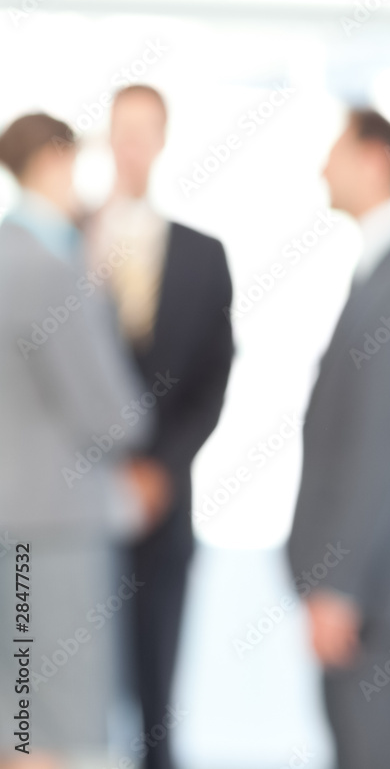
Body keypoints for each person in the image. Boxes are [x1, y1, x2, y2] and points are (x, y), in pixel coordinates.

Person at [285, 107, 390, 769]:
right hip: (362, 599)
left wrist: (339, 585)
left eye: (336, 151)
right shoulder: (374, 282)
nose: (323, 166)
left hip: (376, 602)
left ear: (376, 159)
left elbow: (381, 457)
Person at [0, 113, 160, 768]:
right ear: (56, 162)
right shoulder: (52, 269)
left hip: (13, 523)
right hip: (54, 529)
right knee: (47, 724)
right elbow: (118, 414)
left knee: (16, 712)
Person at [84, 84, 235, 769]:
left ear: (164, 139)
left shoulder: (203, 257)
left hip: (161, 511)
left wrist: (159, 470)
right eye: (123, 129)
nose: (133, 143)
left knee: (155, 709)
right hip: (69, 513)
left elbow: (211, 384)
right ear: (107, 137)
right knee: (51, 703)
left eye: (147, 129)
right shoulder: (66, 242)